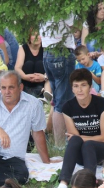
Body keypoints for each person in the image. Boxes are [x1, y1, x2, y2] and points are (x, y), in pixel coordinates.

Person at [48, 69, 104, 188]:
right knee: (77, 141)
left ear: (90, 87)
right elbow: (74, 138)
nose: (79, 90)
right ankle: (63, 185)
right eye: (76, 86)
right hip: (83, 154)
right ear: (72, 89)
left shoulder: (101, 103)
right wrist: (78, 138)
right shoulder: (68, 107)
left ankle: (88, 186)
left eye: (83, 85)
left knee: (86, 143)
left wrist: (81, 138)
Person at [39, 16, 76, 147]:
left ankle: (58, 142)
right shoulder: (64, 5)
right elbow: (73, 26)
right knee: (63, 102)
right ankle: (60, 146)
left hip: (47, 52)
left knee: (57, 101)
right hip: (61, 51)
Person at [14, 30, 52, 100]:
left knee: (40, 64)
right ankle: (29, 93)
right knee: (29, 64)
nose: (36, 37)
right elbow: (17, 68)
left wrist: (44, 77)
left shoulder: (47, 48)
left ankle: (45, 95)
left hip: (42, 81)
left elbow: (51, 68)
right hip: (27, 81)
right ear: (29, 37)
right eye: (33, 35)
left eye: (39, 35)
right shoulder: (23, 48)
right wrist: (25, 77)